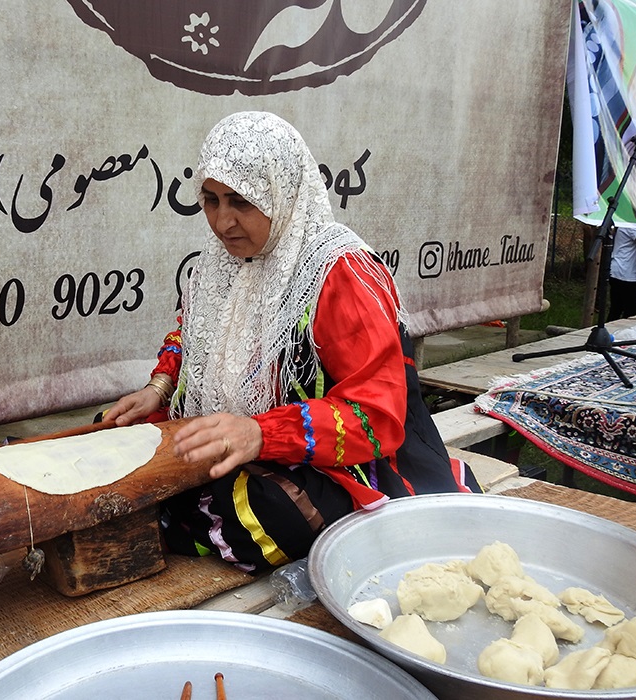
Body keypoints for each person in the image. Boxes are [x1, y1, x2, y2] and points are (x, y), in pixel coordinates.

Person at [104, 111, 481, 573]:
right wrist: (160, 387)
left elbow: (376, 417)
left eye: (241, 201)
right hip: (243, 437)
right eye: (211, 200)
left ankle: (168, 516)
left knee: (278, 513)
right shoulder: (214, 266)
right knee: (117, 434)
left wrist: (261, 434)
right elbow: (192, 334)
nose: (223, 222)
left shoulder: (340, 273)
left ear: (281, 192)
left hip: (336, 458)